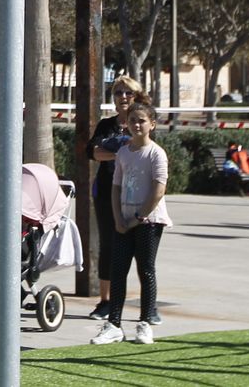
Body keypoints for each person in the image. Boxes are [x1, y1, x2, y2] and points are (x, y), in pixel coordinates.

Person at [92, 103, 171, 346]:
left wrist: (138, 218)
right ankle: (114, 324)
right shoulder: (124, 153)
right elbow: (116, 186)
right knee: (118, 271)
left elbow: (158, 190)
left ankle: (145, 323)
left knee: (145, 270)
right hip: (123, 222)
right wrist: (119, 219)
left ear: (152, 124)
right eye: (133, 120)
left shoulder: (156, 154)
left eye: (142, 120)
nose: (137, 125)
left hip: (148, 222)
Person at [88, 76, 147, 321]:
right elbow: (92, 152)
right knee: (108, 246)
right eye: (118, 93)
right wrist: (122, 152)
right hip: (106, 192)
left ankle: (148, 306)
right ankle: (105, 301)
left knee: (142, 250)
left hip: (136, 194)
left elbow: (146, 151)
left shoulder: (143, 123)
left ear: (137, 97)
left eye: (128, 93)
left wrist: (115, 150)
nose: (123, 97)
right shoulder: (106, 125)